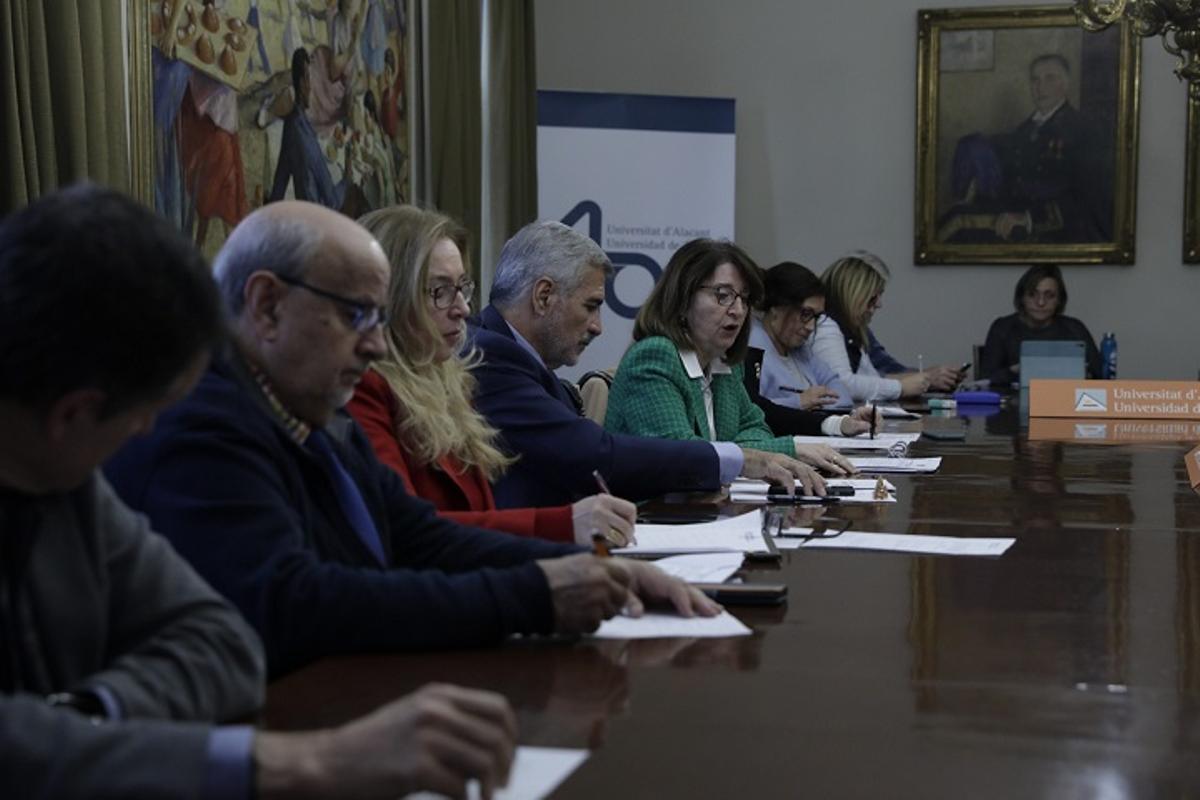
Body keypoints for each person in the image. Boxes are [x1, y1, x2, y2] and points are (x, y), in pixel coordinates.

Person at [2, 184, 521, 799]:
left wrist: (79, 718)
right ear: (72, 415)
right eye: (141, 413)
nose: (144, 434)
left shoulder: (67, 481)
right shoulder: (162, 440)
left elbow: (223, 643)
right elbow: (284, 609)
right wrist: (302, 762)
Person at [106, 200, 717, 677]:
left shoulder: (308, 409)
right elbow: (295, 603)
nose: (376, 343)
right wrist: (536, 593)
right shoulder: (203, 422)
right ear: (266, 306)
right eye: (357, 315)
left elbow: (416, 535)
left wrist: (602, 570)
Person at [469, 220, 828, 508]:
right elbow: (596, 454)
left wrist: (744, 452)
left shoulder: (521, 360)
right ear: (544, 296)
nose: (598, 327)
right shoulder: (491, 358)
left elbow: (754, 429)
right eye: (590, 306)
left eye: (744, 300)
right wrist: (741, 457)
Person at [348, 205, 636, 546]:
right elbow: (405, 532)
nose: (463, 308)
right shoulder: (362, 389)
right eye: (440, 291)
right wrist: (565, 526)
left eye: (462, 288)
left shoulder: (451, 384)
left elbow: (478, 519)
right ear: (389, 298)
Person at [602, 239, 864, 466]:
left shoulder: (724, 363)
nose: (738, 310)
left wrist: (753, 454)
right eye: (723, 295)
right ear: (682, 299)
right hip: (651, 506)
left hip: (706, 502)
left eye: (744, 299)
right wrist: (789, 450)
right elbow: (682, 454)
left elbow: (755, 429)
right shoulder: (655, 357)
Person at [938, 53, 1111, 245]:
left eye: (1049, 78)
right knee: (953, 218)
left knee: (957, 228)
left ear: (1065, 84)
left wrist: (1029, 218)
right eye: (1035, 80)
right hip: (1014, 214)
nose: (1040, 87)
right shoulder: (1026, 128)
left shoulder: (1083, 130)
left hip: (1054, 231)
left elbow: (1087, 197)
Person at [746, 261, 880, 436]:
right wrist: (798, 402)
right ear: (776, 307)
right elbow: (749, 410)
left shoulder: (800, 350)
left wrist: (849, 418)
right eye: (805, 314)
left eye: (816, 317)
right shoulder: (750, 349)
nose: (810, 326)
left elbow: (842, 395)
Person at [811, 251, 963, 401]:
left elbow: (873, 377)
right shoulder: (826, 326)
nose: (879, 304)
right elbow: (841, 384)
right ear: (852, 295)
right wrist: (901, 388)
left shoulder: (854, 330)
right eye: (873, 298)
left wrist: (922, 381)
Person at [980, 264, 1101, 385]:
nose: (1041, 302)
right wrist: (1016, 370)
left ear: (1059, 300)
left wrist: (1080, 372)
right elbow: (984, 380)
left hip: (1064, 395)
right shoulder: (1002, 328)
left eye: (1049, 296)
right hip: (1012, 396)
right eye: (1032, 294)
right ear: (1022, 297)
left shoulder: (1075, 328)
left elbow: (1100, 377)